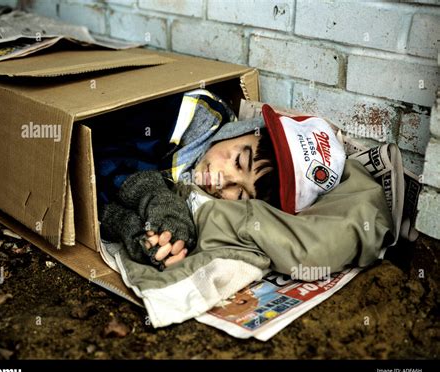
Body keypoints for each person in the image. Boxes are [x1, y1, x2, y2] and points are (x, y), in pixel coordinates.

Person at [99, 90, 346, 271]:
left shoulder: (210, 207)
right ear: (244, 130)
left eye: (241, 195)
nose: (223, 182)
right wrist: (153, 194)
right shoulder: (193, 115)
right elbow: (99, 156)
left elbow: (90, 198)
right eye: (239, 161)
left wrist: (132, 228)